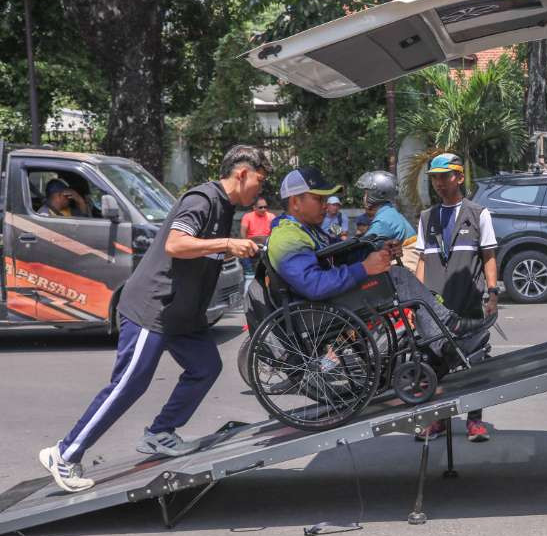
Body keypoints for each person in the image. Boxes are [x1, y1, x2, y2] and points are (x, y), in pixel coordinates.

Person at [38, 145, 269, 492]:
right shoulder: (202, 200)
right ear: (241, 174)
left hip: (182, 316)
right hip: (154, 308)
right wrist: (226, 243)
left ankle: (160, 433)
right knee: (130, 383)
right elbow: (176, 244)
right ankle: (65, 453)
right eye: (260, 181)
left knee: (206, 366)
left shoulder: (225, 206)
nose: (261, 190)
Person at [261, 166, 492, 354]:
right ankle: (446, 335)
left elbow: (340, 252)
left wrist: (378, 248)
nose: (325, 204)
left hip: (331, 300)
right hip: (319, 309)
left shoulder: (308, 229)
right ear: (295, 202)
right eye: (318, 199)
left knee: (397, 277)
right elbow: (314, 285)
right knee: (397, 277)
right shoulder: (287, 237)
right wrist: (364, 268)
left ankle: (444, 334)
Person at [414, 152, 499, 443]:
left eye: (444, 176)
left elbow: (489, 256)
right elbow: (423, 260)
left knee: (474, 362)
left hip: (470, 302)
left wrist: (493, 293)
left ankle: (475, 422)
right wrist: (417, 297)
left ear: (459, 177)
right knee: (435, 363)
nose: (438, 182)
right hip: (436, 305)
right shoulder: (427, 218)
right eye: (434, 177)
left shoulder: (479, 214)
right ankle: (437, 421)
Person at [239, 196, 275, 275]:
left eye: (265, 207)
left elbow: (275, 232)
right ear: (254, 208)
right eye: (260, 207)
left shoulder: (271, 216)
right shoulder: (247, 216)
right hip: (251, 244)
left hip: (267, 244)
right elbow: (243, 232)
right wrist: (247, 244)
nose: (263, 209)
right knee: (242, 252)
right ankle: (249, 273)